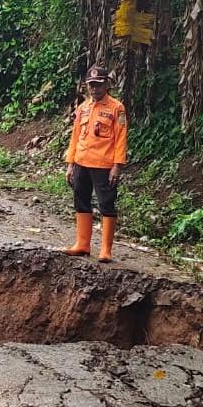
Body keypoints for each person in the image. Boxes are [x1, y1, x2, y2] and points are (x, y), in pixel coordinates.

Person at [63, 66, 128, 263]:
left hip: (104, 165)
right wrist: (70, 163)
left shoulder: (117, 108)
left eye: (99, 85)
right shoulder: (82, 108)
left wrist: (117, 165)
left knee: (106, 204)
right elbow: (75, 137)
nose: (95, 89)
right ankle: (82, 244)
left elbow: (121, 138)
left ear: (106, 84)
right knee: (81, 201)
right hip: (81, 162)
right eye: (91, 85)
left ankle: (106, 250)